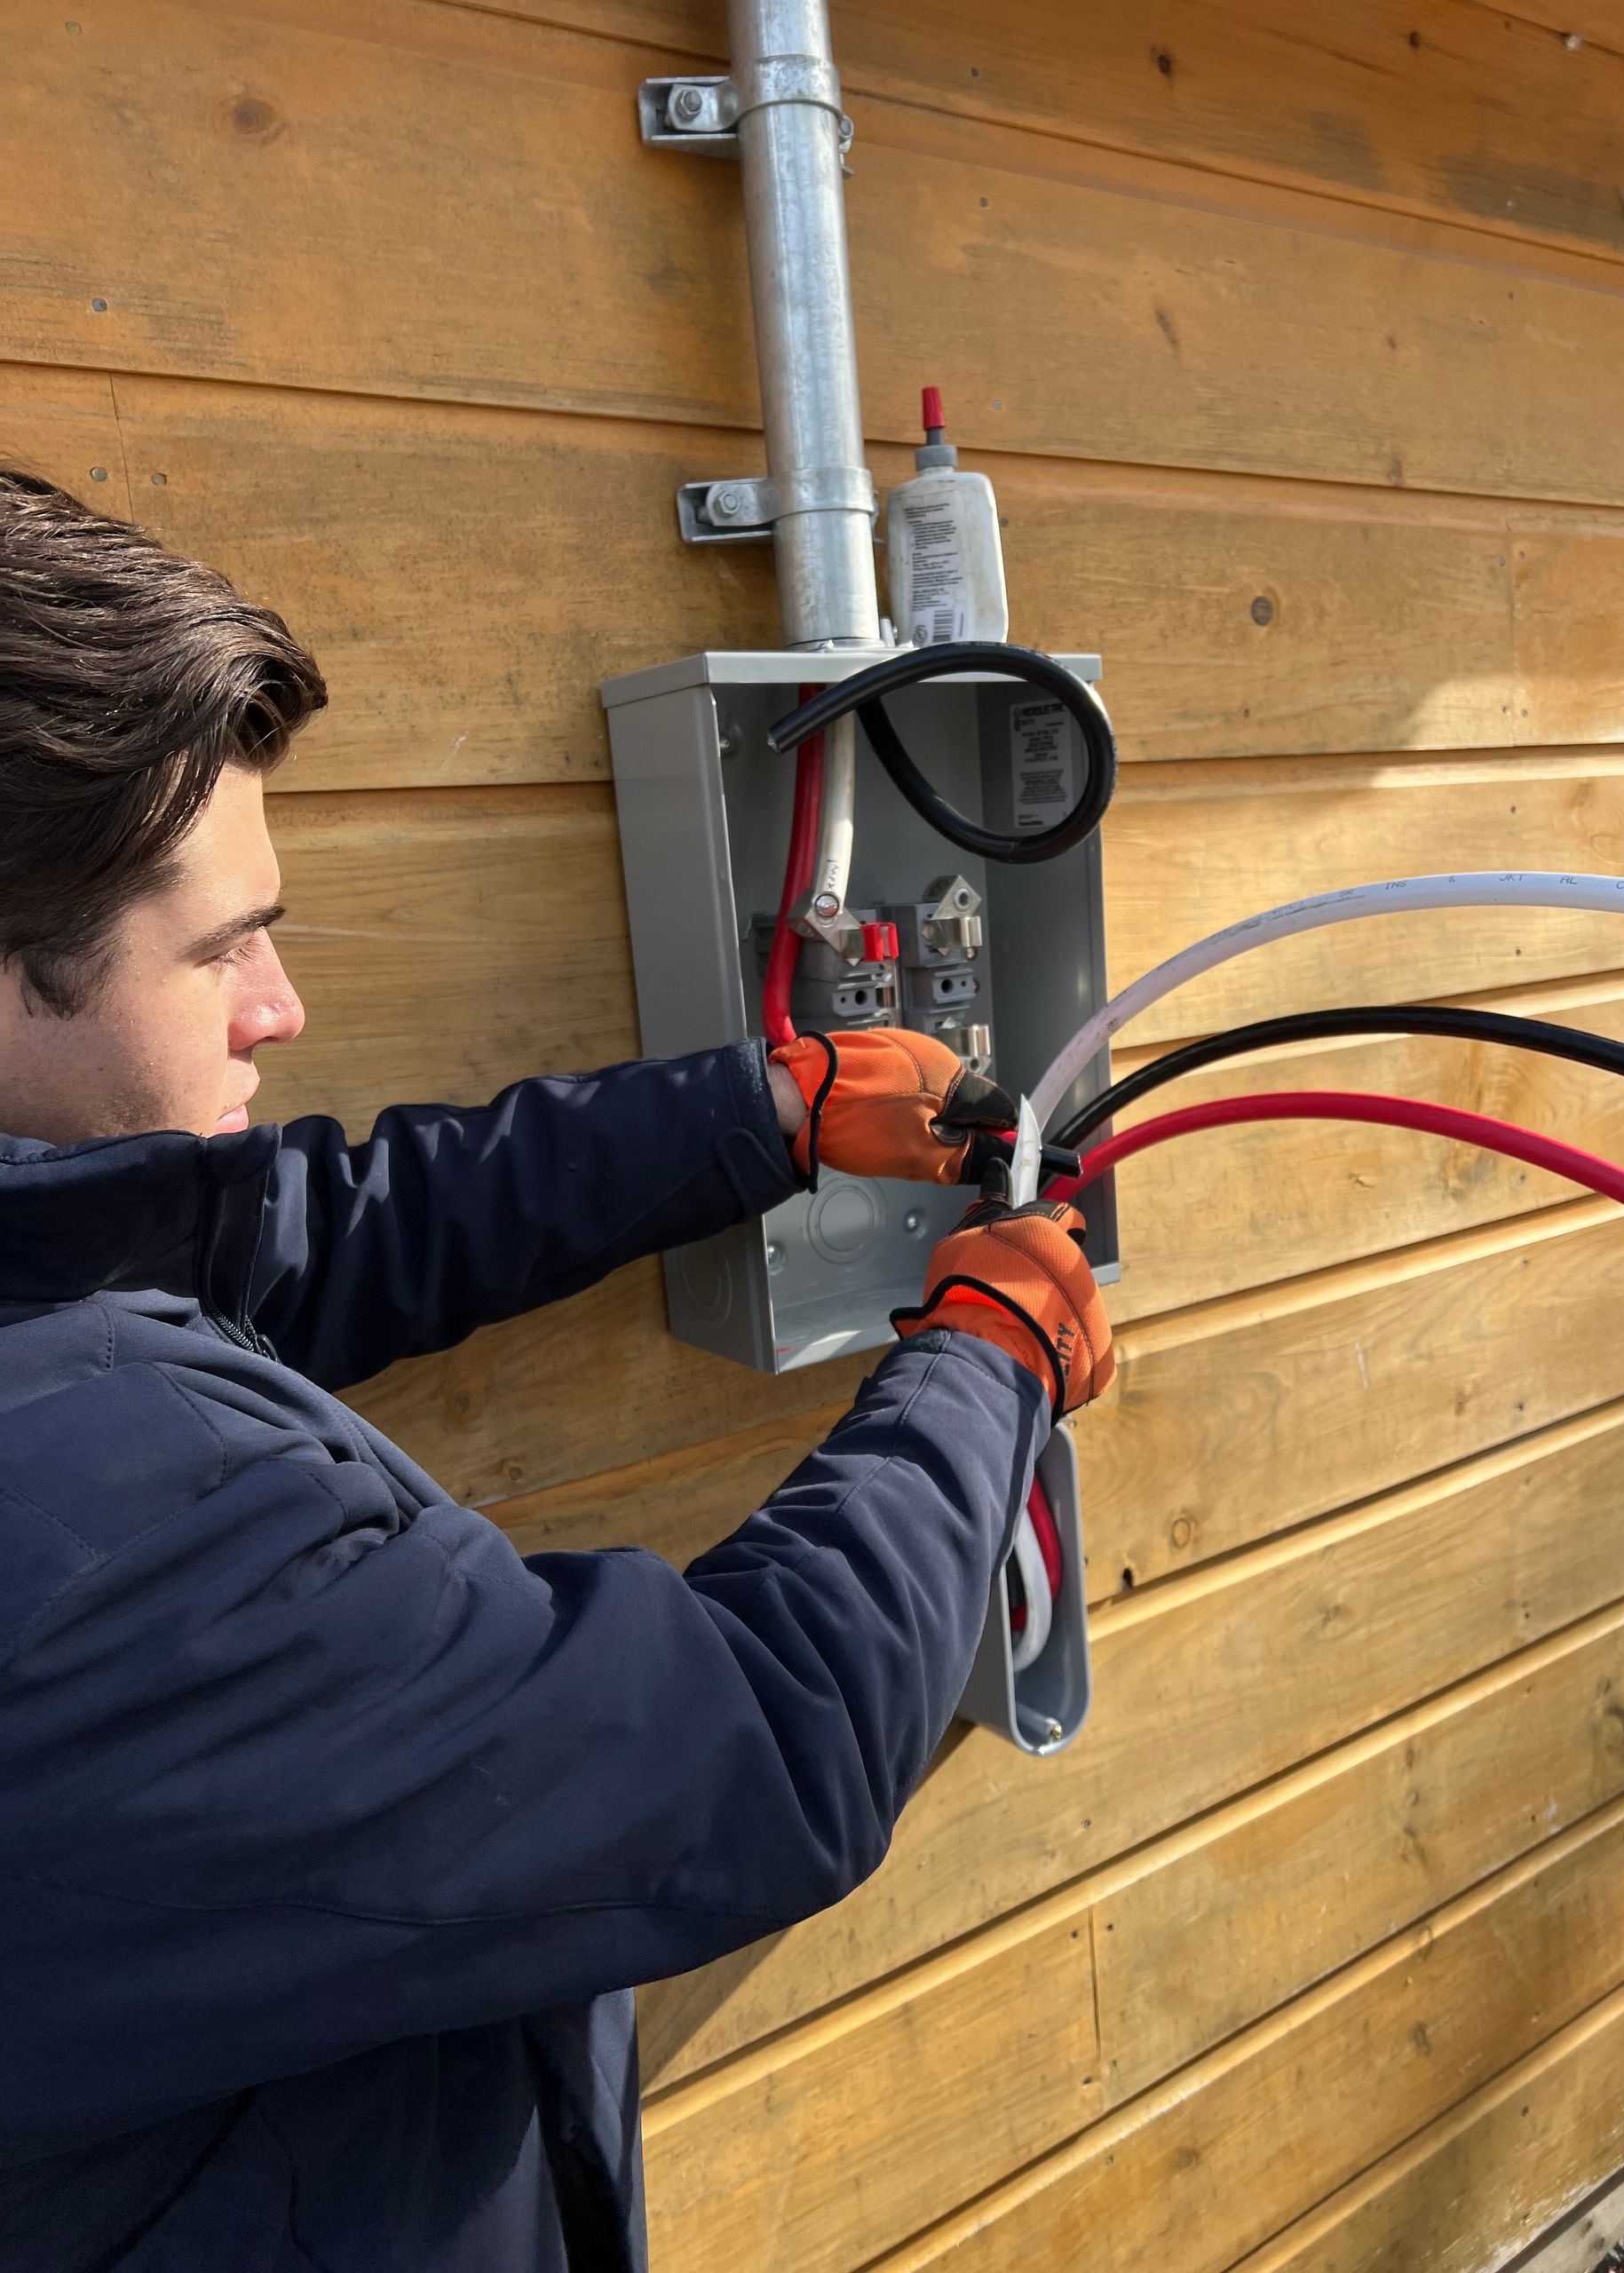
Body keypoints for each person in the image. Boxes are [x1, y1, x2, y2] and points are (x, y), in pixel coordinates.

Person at [0, 468, 1113, 2273]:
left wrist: (761, 1111)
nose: (279, 1005)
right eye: (219, 947)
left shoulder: (49, 1280)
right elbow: (762, 1738)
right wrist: (992, 1356)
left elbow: (313, 1230)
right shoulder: (107, 1536)